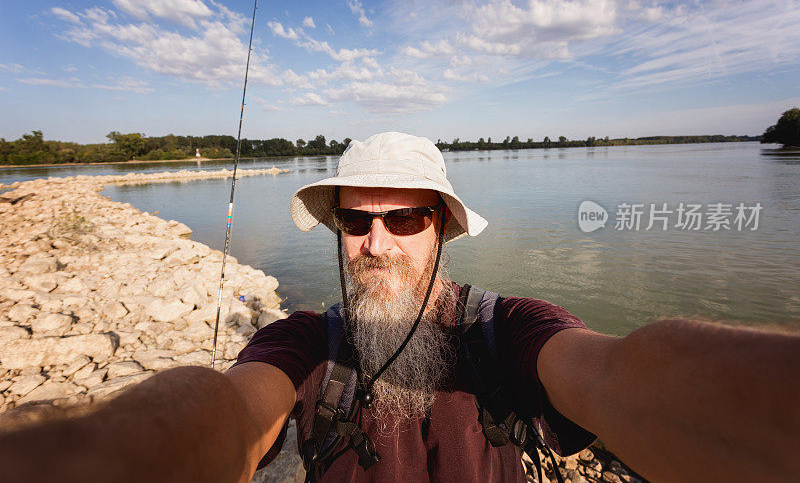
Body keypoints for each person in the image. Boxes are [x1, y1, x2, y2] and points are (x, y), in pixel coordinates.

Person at [1, 132, 799, 483]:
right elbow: (230, 412)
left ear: (443, 229)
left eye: (406, 218)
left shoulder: (505, 327)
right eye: (356, 218)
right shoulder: (308, 339)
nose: (375, 243)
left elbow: (624, 378)